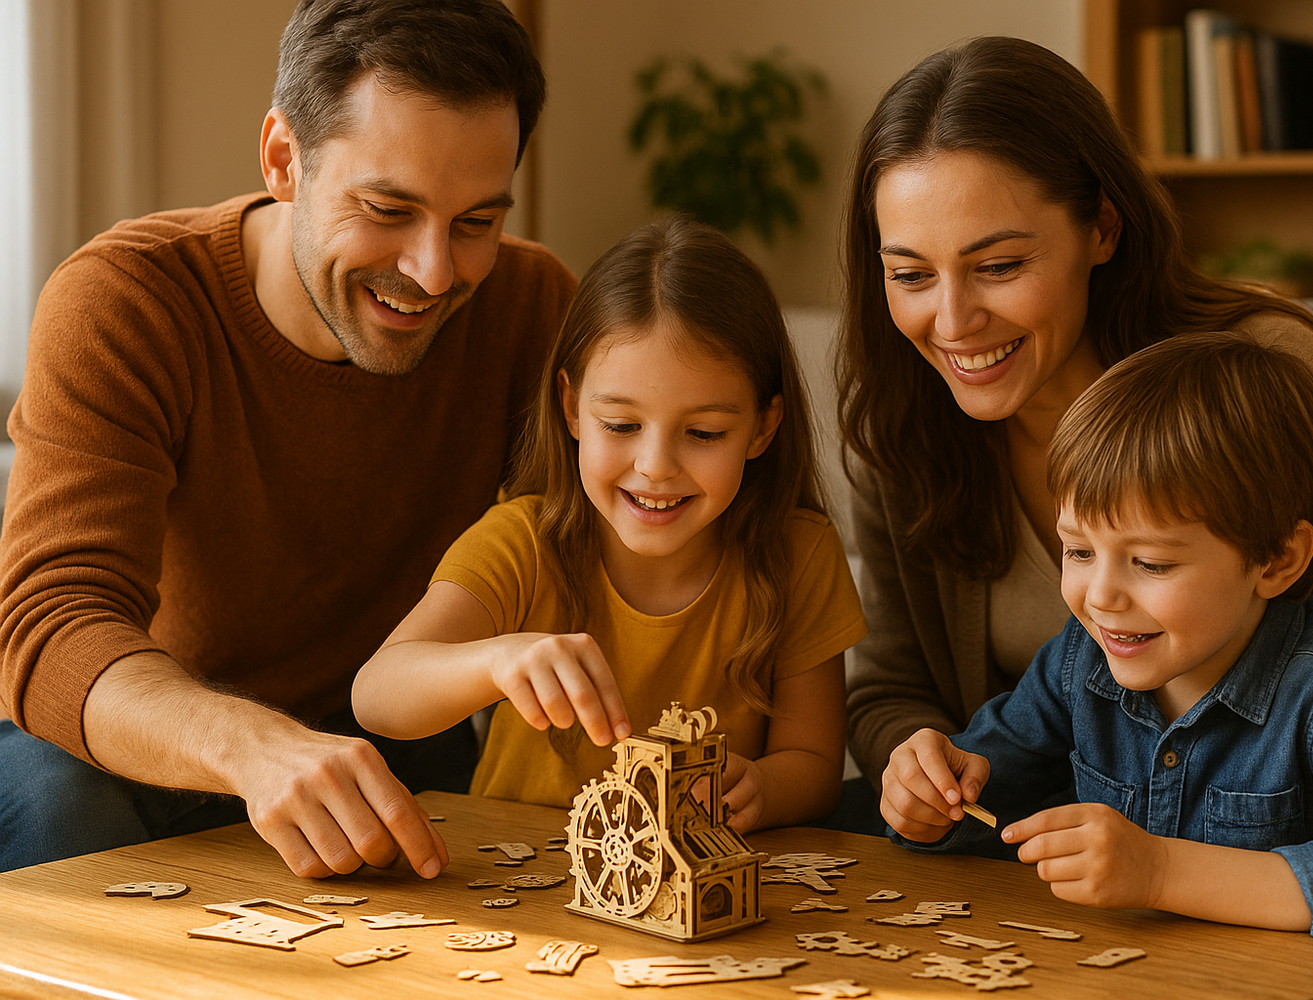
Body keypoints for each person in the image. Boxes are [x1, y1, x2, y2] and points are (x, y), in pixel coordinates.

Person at [837, 35, 1313, 968]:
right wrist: (919, 763)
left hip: (1304, 927)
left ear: (1103, 227)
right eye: (909, 274)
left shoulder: (1255, 383)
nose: (951, 323)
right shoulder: (907, 420)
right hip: (1058, 920)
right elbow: (894, 695)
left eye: (997, 265)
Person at [0, 0, 575, 880]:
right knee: (61, 805)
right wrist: (256, 748)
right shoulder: (126, 301)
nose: (433, 271)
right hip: (144, 742)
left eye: (476, 223)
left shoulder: (531, 307)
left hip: (382, 738)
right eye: (387, 208)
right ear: (283, 160)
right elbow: (52, 625)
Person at [881, 332, 1313, 999]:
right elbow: (984, 794)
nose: (1100, 596)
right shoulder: (1081, 660)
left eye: (1151, 563)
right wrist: (928, 798)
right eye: (1077, 551)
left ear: (1276, 560)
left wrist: (1158, 870)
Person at [352, 217, 866, 832]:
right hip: (515, 887)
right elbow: (377, 696)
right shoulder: (522, 543)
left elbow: (812, 763)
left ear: (761, 427)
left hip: (692, 898)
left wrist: (763, 787)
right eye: (621, 426)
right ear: (571, 407)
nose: (655, 468)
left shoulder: (799, 554)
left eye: (703, 433)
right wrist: (496, 662)